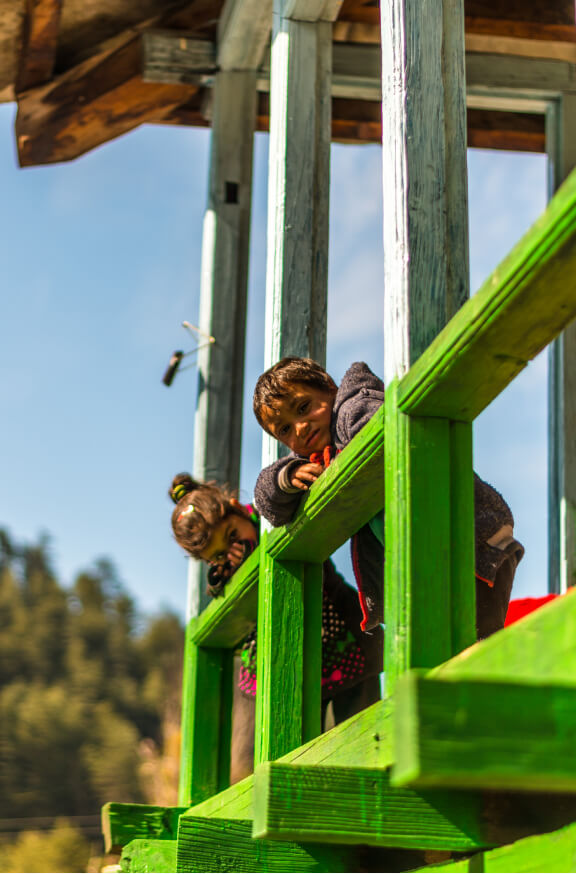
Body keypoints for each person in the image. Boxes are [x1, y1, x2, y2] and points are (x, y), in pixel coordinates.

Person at [252, 356, 525, 640]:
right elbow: (268, 503)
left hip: (471, 540)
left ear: (330, 389)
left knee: (473, 642)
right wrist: (288, 476)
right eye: (284, 429)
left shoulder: (352, 409)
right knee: (444, 649)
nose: (300, 427)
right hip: (430, 558)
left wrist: (336, 464)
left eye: (303, 407)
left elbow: (381, 430)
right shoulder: (314, 456)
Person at [169, 473, 383, 783]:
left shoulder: (270, 516)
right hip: (288, 667)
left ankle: (370, 782)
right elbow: (217, 589)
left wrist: (284, 481)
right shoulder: (226, 571)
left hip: (343, 642)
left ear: (236, 508)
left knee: (363, 736)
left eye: (232, 535)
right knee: (293, 755)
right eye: (218, 556)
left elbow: (275, 496)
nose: (233, 551)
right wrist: (224, 574)